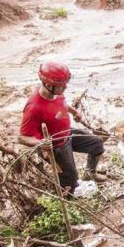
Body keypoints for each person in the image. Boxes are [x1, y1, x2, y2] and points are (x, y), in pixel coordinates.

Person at [19, 62, 106, 195]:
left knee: (97, 144)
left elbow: (63, 103)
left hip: (67, 133)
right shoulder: (34, 107)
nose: (65, 87)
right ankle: (68, 198)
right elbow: (22, 137)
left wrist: (74, 112)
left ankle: (90, 173)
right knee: (70, 178)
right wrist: (40, 143)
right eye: (62, 85)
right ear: (48, 85)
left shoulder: (55, 92)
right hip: (56, 146)